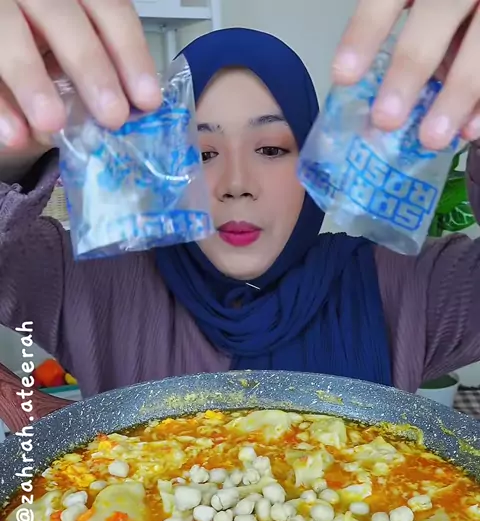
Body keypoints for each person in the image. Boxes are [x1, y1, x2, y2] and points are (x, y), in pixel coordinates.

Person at [0, 0, 480, 431]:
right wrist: (10, 150)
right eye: (200, 153)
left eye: (271, 148)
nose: (235, 184)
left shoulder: (409, 285)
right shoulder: (90, 279)